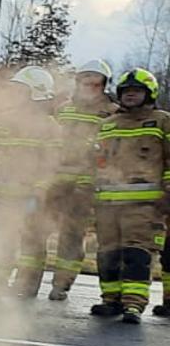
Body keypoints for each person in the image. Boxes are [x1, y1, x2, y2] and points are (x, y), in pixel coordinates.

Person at [0, 66, 62, 298]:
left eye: (22, 91)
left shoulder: (50, 127)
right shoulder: (3, 120)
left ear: (37, 93)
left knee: (31, 245)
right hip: (2, 196)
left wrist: (39, 192)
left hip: (32, 198)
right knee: (2, 242)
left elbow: (52, 164)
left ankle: (26, 287)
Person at [92, 68, 170, 323]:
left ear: (149, 94)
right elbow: (96, 161)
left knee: (136, 254)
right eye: (126, 91)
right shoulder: (107, 124)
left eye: (136, 91)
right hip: (107, 203)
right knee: (108, 253)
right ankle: (110, 300)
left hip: (144, 204)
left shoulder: (162, 121)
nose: (130, 95)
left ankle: (133, 305)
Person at [45, 60, 118, 300]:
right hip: (54, 178)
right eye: (85, 78)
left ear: (104, 84)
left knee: (72, 233)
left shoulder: (113, 113)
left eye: (96, 80)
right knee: (36, 226)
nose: (90, 84)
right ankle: (26, 279)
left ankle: (61, 284)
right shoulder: (63, 108)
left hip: (88, 184)